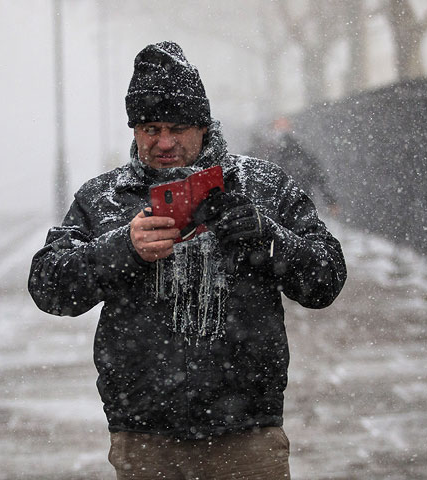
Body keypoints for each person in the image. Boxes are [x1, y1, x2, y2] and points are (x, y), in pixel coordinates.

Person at [29, 41, 347, 479]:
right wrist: (123, 249)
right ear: (134, 130)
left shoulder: (263, 186)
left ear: (203, 126)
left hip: (246, 434)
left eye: (178, 128)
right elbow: (48, 286)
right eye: (149, 128)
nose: (163, 142)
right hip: (144, 437)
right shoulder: (104, 198)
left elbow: (326, 279)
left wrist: (269, 238)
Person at [251, 117, 340, 216]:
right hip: (281, 205)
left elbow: (318, 175)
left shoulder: (299, 152)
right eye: (278, 126)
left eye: (284, 126)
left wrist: (330, 200)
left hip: (293, 203)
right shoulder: (263, 152)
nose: (281, 131)